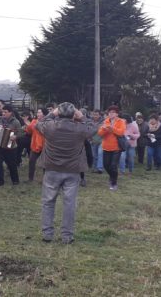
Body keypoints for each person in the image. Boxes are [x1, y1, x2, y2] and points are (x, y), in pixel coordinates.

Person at [37, 102, 96, 244]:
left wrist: (52, 113)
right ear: (73, 114)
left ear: (59, 113)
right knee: (69, 204)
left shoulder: (50, 127)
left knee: (48, 202)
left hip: (51, 169)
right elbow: (93, 129)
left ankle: (47, 234)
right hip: (72, 170)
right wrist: (82, 117)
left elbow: (39, 123)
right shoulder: (80, 129)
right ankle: (67, 236)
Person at [0, 104, 24, 186]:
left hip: (11, 147)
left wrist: (15, 136)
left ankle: (15, 181)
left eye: (5, 112)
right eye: (2, 112)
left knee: (12, 164)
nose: (3, 114)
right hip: (0, 145)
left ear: (10, 113)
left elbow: (21, 133)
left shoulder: (16, 122)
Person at [97, 105, 126, 190]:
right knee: (106, 165)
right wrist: (104, 129)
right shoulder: (106, 121)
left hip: (116, 147)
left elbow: (121, 132)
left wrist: (112, 128)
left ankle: (114, 183)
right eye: (110, 112)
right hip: (106, 147)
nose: (111, 114)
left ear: (117, 114)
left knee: (113, 166)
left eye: (113, 112)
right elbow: (99, 133)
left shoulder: (121, 121)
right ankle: (112, 176)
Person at [25, 108, 48, 182]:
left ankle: (46, 179)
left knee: (45, 163)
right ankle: (30, 178)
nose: (38, 114)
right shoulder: (34, 121)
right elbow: (28, 132)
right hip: (35, 145)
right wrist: (28, 125)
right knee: (31, 161)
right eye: (37, 112)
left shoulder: (48, 122)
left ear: (44, 114)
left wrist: (33, 126)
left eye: (39, 112)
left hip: (45, 146)